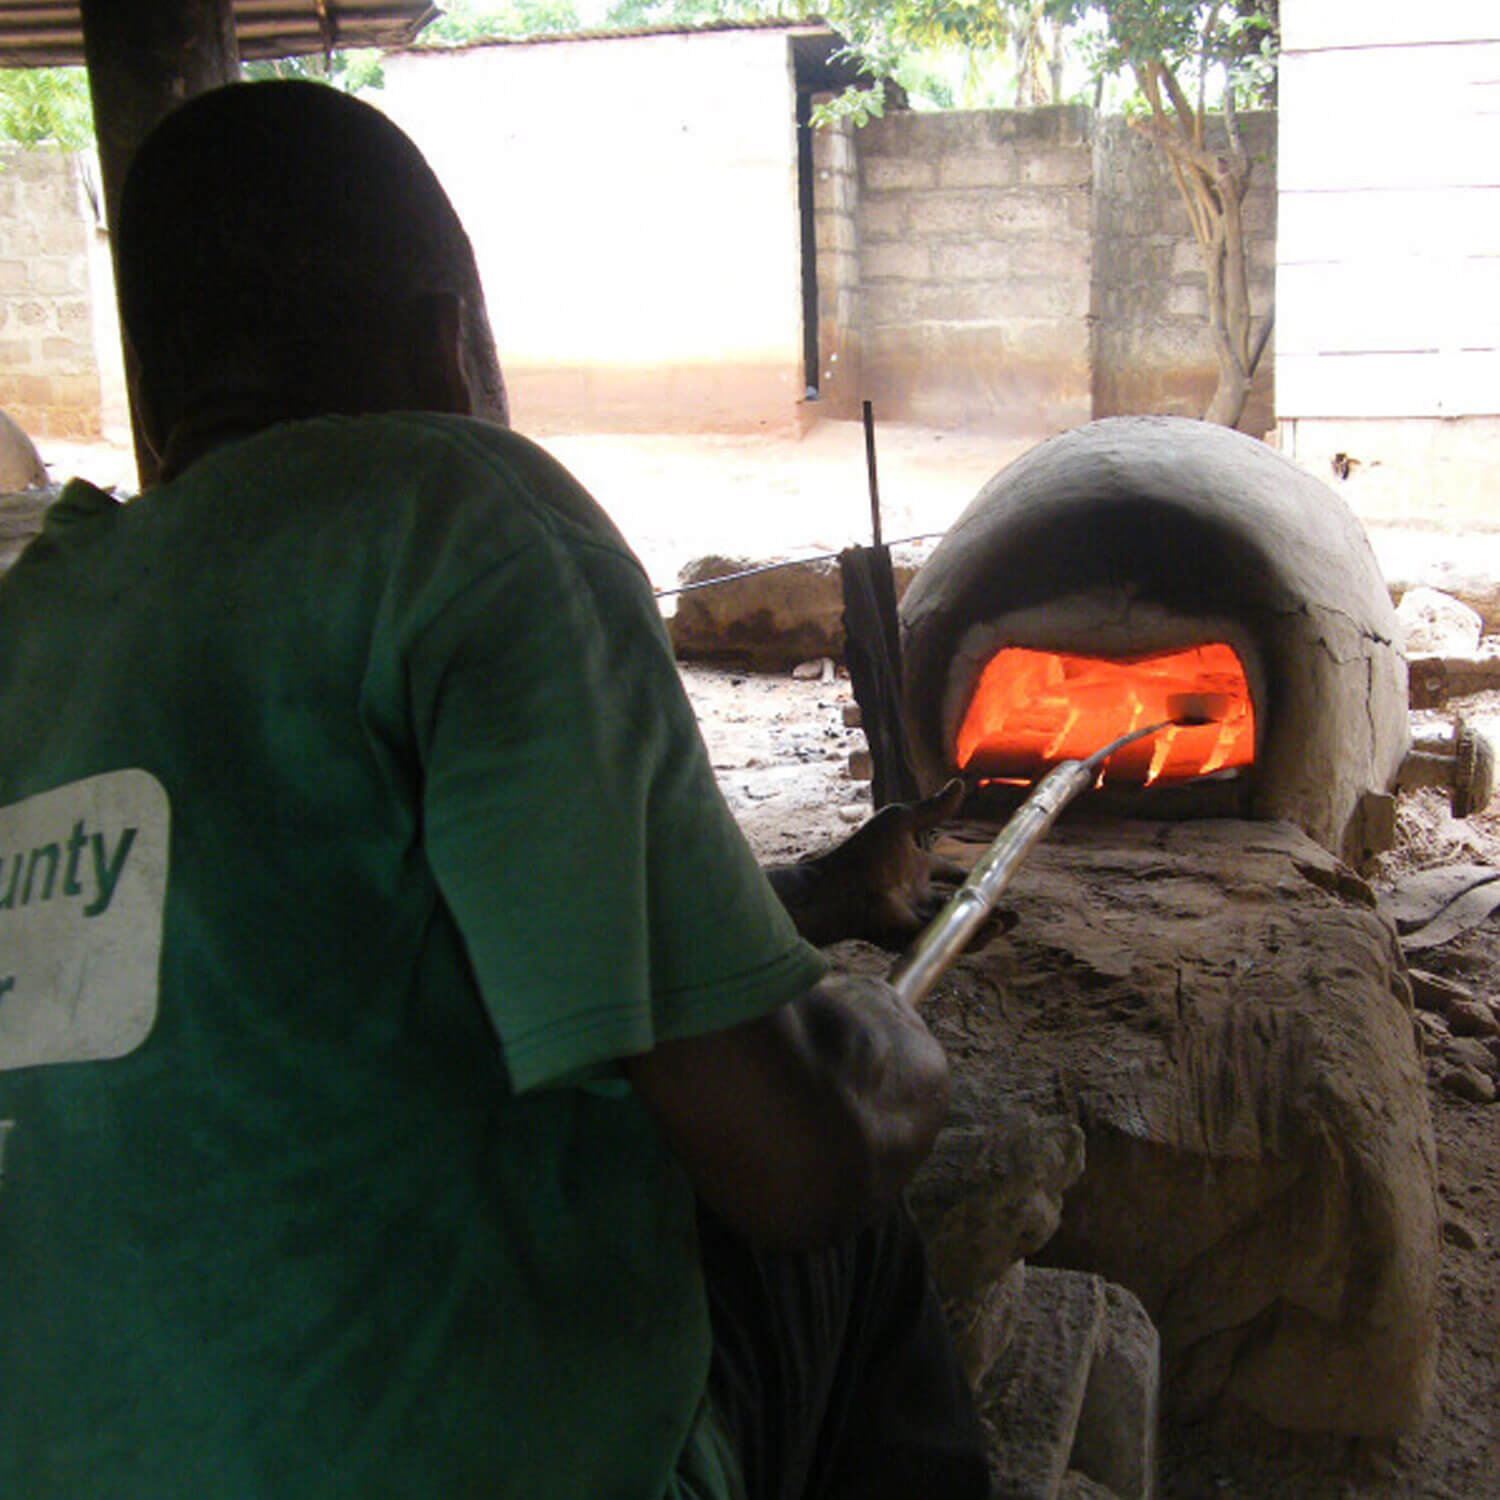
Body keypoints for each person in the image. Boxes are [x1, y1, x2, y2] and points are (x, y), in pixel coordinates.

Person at [0, 81, 987, 1499]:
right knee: (853, 1227)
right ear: (449, 344)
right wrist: (890, 1048)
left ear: (153, 388)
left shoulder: (33, 633)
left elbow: (313, 952)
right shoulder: (459, 513)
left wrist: (808, 895)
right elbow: (798, 1157)